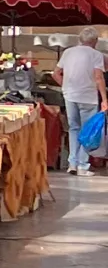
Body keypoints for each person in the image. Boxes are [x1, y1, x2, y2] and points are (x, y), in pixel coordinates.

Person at [53, 27, 105, 176]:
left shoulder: (68, 52)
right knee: (87, 131)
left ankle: (72, 164)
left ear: (80, 39)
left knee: (73, 129)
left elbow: (56, 74)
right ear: (95, 41)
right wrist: (104, 99)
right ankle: (82, 165)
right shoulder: (96, 55)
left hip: (70, 96)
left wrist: (66, 86)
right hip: (88, 97)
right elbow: (98, 78)